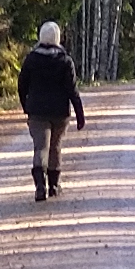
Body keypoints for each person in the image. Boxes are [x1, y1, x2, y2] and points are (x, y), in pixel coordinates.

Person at [15, 21, 86, 199]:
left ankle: (40, 185)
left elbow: (22, 85)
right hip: (60, 113)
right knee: (55, 147)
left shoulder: (31, 59)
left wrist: (26, 105)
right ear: (57, 38)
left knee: (41, 147)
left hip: (37, 112)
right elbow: (72, 90)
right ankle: (54, 185)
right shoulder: (65, 61)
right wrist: (79, 114)